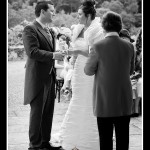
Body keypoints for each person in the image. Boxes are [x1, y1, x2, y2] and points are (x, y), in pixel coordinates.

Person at [84, 11, 135, 150]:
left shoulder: (97, 46)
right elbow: (130, 71)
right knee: (123, 139)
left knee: (105, 140)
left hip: (104, 100)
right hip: (124, 98)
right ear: (120, 26)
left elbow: (88, 71)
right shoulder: (130, 46)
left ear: (104, 26)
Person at [58, 0, 104, 150]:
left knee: (88, 100)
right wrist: (71, 54)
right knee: (76, 99)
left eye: (79, 15)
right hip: (78, 68)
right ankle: (73, 134)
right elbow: (75, 47)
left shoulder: (97, 29)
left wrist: (75, 52)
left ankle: (90, 138)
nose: (77, 17)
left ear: (88, 15)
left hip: (89, 71)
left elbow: (94, 52)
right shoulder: (79, 28)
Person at [22, 1, 65, 150]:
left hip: (50, 76)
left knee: (48, 112)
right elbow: (32, 52)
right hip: (37, 78)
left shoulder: (50, 31)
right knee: (37, 113)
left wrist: (59, 54)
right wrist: (54, 55)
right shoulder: (30, 29)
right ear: (42, 12)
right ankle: (34, 145)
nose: (54, 13)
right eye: (52, 11)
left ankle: (45, 143)